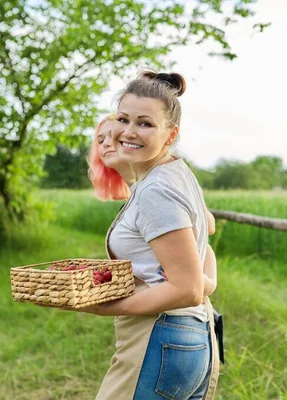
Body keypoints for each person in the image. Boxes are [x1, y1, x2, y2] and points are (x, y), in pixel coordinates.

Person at [79, 71, 221, 400]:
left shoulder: (157, 190)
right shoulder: (170, 174)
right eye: (123, 119)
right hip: (187, 336)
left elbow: (187, 288)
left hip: (161, 335)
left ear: (170, 135)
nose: (128, 132)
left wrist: (105, 306)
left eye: (145, 123)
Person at [88, 115, 218, 296]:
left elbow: (205, 230)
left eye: (113, 136)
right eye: (100, 140)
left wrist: (208, 282)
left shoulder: (156, 189)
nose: (106, 144)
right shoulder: (139, 190)